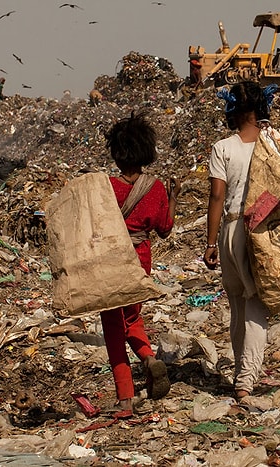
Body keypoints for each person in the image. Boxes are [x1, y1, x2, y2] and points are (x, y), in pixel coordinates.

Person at [102, 112, 181, 415]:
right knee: (132, 317)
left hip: (113, 260)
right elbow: (164, 228)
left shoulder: (107, 186)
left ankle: (125, 398)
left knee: (112, 326)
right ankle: (148, 359)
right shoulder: (156, 187)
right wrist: (173, 197)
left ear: (117, 152)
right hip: (141, 259)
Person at [204, 81, 276, 401]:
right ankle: (246, 380)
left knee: (236, 305)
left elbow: (217, 196)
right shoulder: (272, 144)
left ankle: (238, 371)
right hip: (260, 230)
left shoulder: (223, 148)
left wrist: (210, 243)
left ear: (233, 109)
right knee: (256, 305)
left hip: (230, 231)